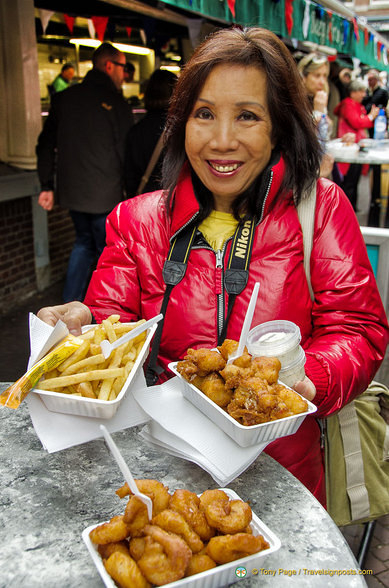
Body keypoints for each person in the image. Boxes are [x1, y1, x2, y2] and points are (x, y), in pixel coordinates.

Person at [37, 27, 388, 508]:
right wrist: (80, 326)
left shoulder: (321, 209)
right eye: (204, 114)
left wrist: (309, 379)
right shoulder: (135, 220)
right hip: (159, 474)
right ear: (181, 122)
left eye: (247, 116)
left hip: (282, 471)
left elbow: (359, 328)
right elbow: (111, 326)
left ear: (279, 126)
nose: (221, 141)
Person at [36, 42, 134, 302]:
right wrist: (132, 192)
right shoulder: (116, 102)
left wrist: (46, 184)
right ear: (109, 65)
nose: (124, 75)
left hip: (73, 193)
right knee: (108, 253)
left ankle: (69, 307)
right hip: (106, 193)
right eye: (123, 68)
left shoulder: (63, 99)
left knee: (82, 244)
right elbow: (126, 149)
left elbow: (45, 144)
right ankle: (103, 310)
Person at [124, 69, 177, 197]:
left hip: (144, 202)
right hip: (172, 201)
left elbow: (129, 178)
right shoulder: (180, 130)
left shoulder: (136, 131)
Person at [334, 79, 379, 211]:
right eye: (361, 91)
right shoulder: (348, 104)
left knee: (354, 180)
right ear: (353, 92)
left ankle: (352, 207)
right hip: (348, 149)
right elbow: (357, 122)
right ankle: (346, 209)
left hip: (355, 148)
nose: (364, 94)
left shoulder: (356, 105)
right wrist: (370, 117)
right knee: (349, 182)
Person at [297, 53, 337, 180]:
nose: (322, 81)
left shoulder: (321, 97)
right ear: (304, 76)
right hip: (304, 174)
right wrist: (318, 113)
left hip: (321, 170)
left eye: (324, 76)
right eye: (317, 75)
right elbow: (300, 138)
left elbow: (326, 133)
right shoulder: (294, 100)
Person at [362, 69, 389, 138]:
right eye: (368, 80)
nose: (369, 82)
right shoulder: (366, 92)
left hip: (378, 121)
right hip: (367, 120)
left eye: (371, 79)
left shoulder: (382, 92)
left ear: (376, 80)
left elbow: (383, 106)